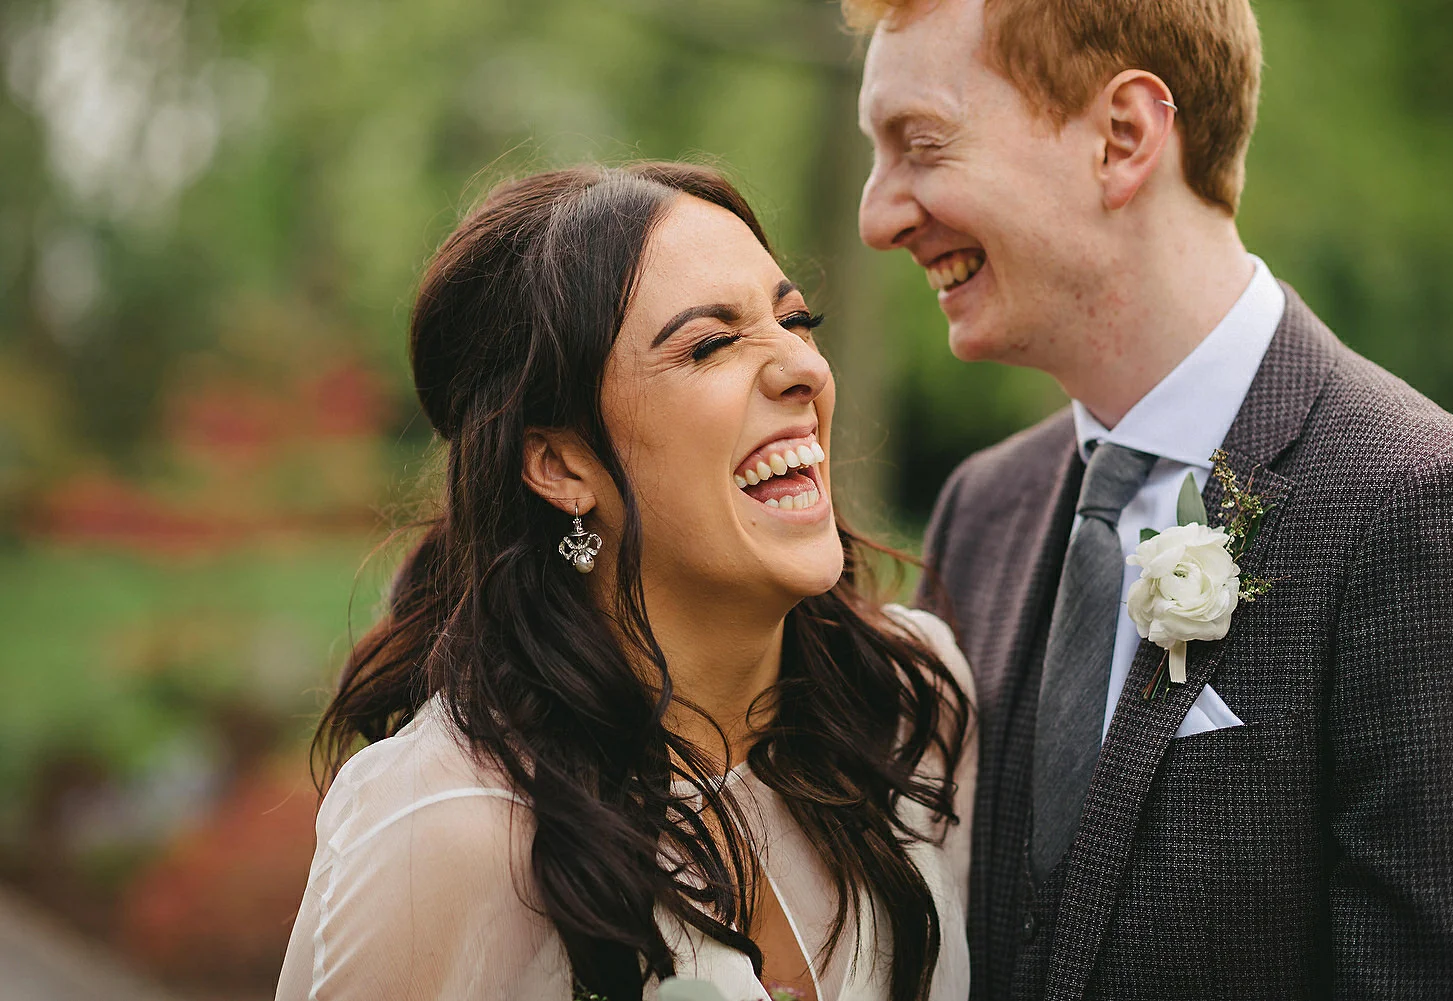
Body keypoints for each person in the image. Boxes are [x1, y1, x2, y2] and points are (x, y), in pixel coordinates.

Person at [846, 0, 1453, 998]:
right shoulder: (982, 508)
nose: (876, 214)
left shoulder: (1419, 507)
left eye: (922, 146)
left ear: (1124, 138)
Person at [274, 163, 976, 1001]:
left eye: (796, 320)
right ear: (562, 463)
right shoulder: (451, 829)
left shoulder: (908, 701)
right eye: (710, 344)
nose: (802, 368)